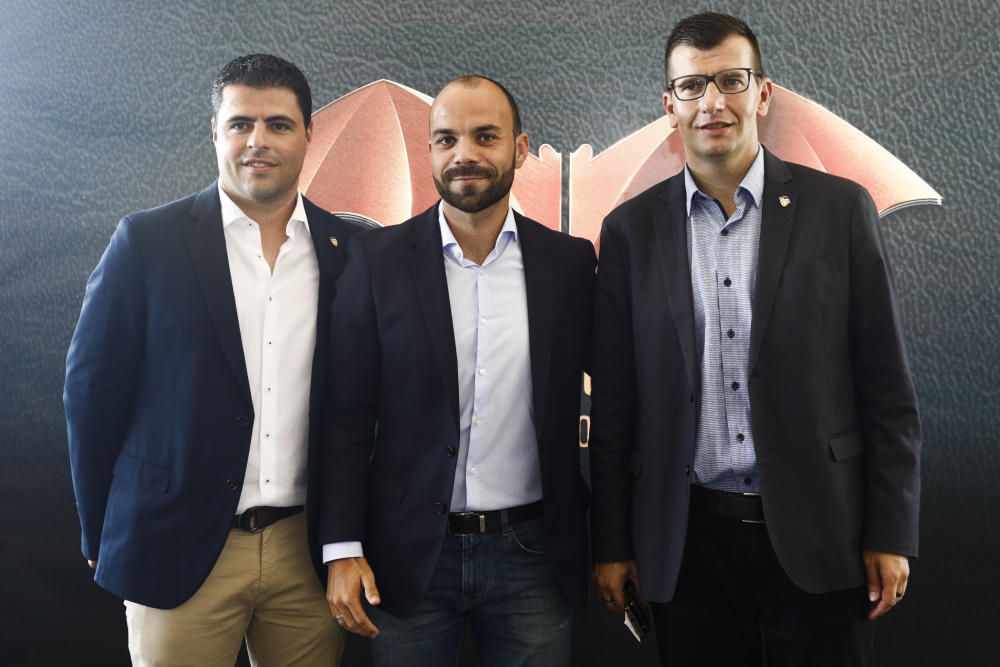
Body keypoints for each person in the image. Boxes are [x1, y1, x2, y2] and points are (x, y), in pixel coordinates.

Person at [589, 12, 921, 666]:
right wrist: (613, 541)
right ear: (669, 106)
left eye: (731, 80)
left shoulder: (839, 210)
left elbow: (886, 389)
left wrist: (892, 530)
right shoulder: (630, 232)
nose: (713, 102)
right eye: (692, 86)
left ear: (762, 94)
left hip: (821, 532)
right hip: (688, 544)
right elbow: (617, 406)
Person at [64, 53, 362, 666]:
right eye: (241, 123)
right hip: (173, 544)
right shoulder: (146, 243)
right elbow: (91, 395)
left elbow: (363, 407)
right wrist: (103, 529)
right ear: (216, 132)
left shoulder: (351, 250)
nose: (259, 141)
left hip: (305, 551)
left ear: (310, 134)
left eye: (279, 124)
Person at [319, 75, 596, 666]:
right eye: (446, 139)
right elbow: (343, 416)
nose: (464, 154)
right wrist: (341, 546)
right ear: (430, 152)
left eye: (485, 136)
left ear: (520, 149)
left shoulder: (570, 266)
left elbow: (623, 399)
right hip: (407, 556)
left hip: (534, 557)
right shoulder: (377, 262)